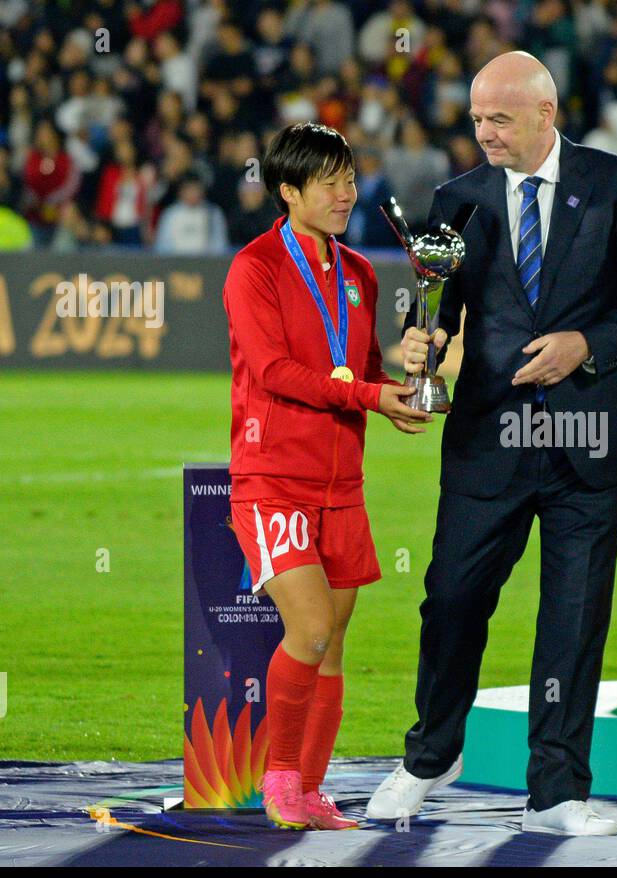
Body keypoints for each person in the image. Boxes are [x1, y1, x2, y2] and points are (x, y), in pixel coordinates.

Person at [366, 52, 617, 836]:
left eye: (499, 119)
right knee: (450, 601)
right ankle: (431, 755)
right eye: (477, 118)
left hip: (593, 439)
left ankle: (558, 791)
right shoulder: (458, 199)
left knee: (573, 619)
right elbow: (435, 307)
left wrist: (587, 344)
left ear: (546, 113)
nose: (484, 133)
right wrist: (421, 344)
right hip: (490, 440)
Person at [223, 121, 433, 829]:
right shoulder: (253, 268)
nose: (348, 193)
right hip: (273, 476)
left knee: (335, 641)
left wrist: (393, 395)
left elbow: (360, 369)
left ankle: (311, 789)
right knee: (309, 629)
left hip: (342, 485)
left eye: (349, 178)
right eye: (330, 182)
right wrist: (369, 394)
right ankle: (280, 780)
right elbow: (275, 372)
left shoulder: (361, 274)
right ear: (288, 191)